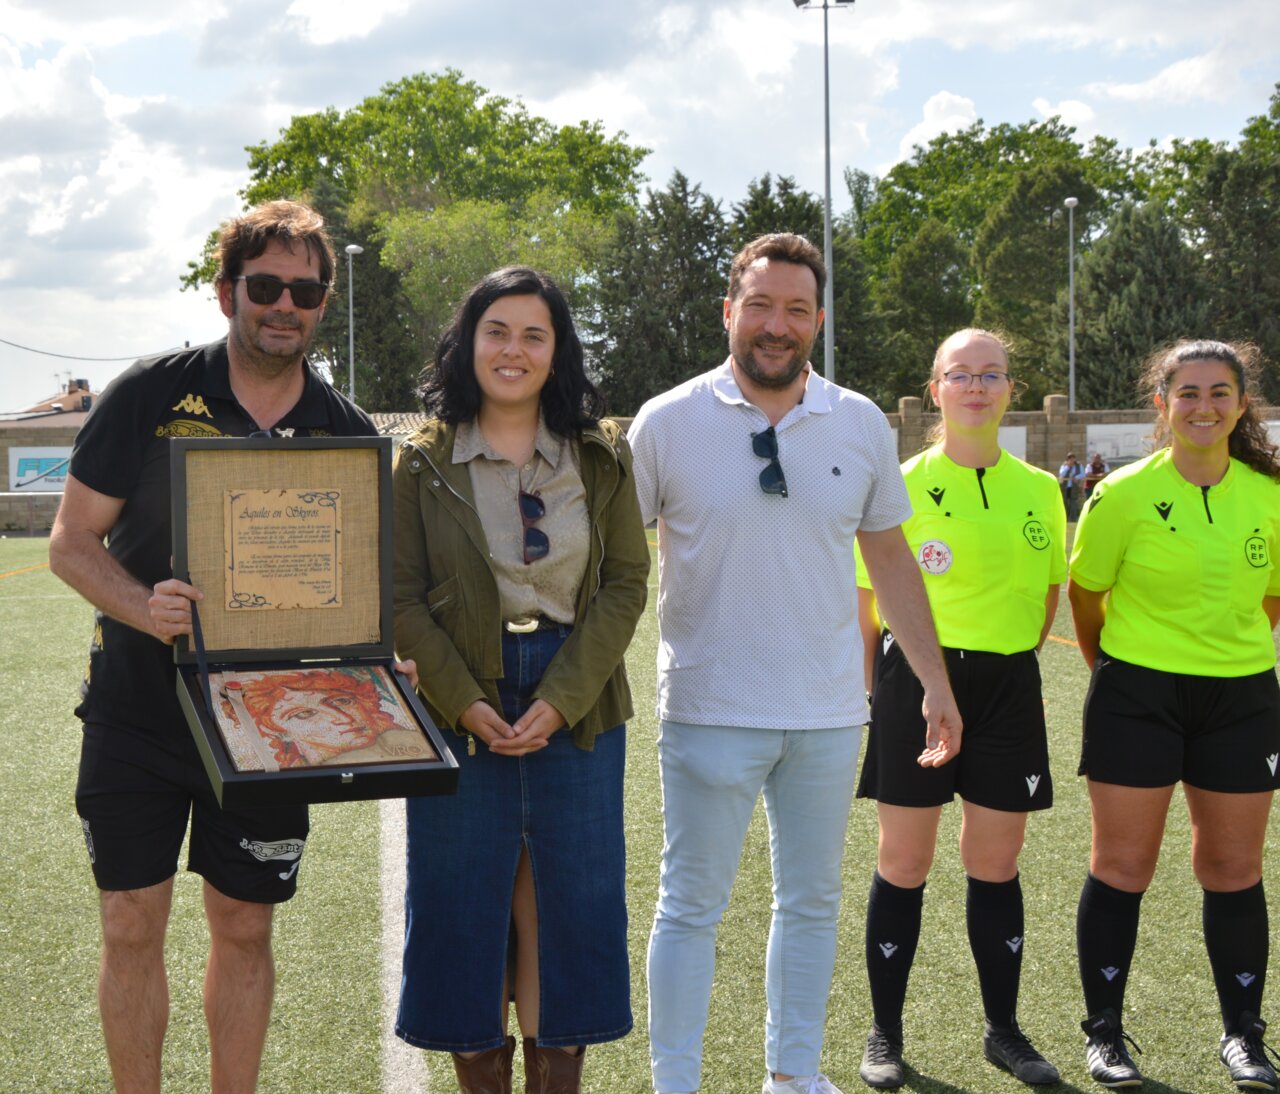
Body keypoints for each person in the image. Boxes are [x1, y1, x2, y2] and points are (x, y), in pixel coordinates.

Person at [48, 200, 384, 1092]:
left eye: (305, 291)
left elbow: (356, 595)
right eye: (266, 285)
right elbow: (71, 541)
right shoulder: (149, 393)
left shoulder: (344, 430)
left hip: (269, 727)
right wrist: (138, 604)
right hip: (136, 713)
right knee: (130, 922)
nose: (286, 305)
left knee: (244, 926)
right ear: (226, 289)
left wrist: (375, 674)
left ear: (321, 303)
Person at [628, 233, 963, 1094]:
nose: (778, 325)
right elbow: (612, 566)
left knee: (810, 905)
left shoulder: (858, 420)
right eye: (762, 305)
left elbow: (889, 560)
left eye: (797, 310)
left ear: (817, 319)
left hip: (826, 713)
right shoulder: (665, 422)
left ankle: (794, 1076)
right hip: (708, 709)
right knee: (690, 908)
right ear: (729, 311)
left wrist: (933, 682)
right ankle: (676, 1083)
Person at [392, 266, 649, 1094]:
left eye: (534, 334)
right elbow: (396, 597)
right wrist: (462, 701)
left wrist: (559, 698)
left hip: (576, 699)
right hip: (457, 693)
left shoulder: (602, 452)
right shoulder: (421, 460)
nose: (514, 349)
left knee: (564, 905)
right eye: (496, 330)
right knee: (465, 902)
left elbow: (624, 586)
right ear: (468, 343)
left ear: (557, 349)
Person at [853, 329, 1066, 1089]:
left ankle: (1003, 1031)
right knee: (904, 861)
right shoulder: (900, 481)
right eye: (961, 375)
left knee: (996, 862)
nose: (977, 387)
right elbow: (869, 603)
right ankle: (885, 1031)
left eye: (992, 374)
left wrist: (998, 657)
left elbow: (1046, 601)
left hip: (1009, 687)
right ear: (936, 388)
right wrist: (879, 696)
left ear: (1009, 387)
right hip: (915, 684)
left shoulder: (1041, 488)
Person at [1068, 339, 1280, 1090]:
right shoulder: (1120, 494)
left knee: (1232, 868)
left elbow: (1272, 599)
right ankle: (1105, 1036)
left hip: (1242, 696)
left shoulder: (1270, 494)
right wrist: (1123, 673)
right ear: (1160, 404)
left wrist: (1226, 650)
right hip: (1137, 695)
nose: (1203, 406)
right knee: (1123, 866)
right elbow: (1087, 597)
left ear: (1241, 402)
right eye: (1186, 392)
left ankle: (1245, 1036)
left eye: (1219, 391)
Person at [1058, 452, 1084, 520]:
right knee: (1064, 502)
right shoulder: (1064, 465)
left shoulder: (1079, 465)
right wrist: (1068, 467)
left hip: (1074, 487)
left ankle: (1073, 518)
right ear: (1068, 459)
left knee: (1073, 503)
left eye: (1073, 458)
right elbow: (1061, 474)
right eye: (1070, 458)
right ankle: (1064, 518)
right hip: (1065, 487)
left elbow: (1082, 474)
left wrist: (1076, 477)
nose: (1072, 459)